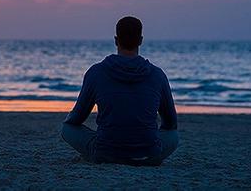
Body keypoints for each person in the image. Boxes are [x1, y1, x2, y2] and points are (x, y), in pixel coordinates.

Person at [61, 16, 178, 166]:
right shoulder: (157, 74)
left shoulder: (96, 72)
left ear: (116, 40)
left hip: (106, 154)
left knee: (67, 128)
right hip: (149, 156)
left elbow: (77, 118)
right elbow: (171, 123)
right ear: (140, 40)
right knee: (173, 135)